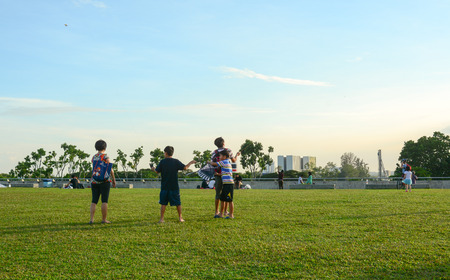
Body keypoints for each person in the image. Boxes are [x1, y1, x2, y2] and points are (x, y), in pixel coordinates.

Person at [151, 146, 195, 223]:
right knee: (178, 203)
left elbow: (157, 171)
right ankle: (180, 218)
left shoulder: (162, 162)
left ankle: (161, 219)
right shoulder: (175, 161)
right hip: (174, 186)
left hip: (164, 186)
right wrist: (190, 163)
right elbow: (185, 168)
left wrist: (153, 169)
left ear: (166, 153)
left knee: (163, 203)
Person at [210, 137, 240, 218]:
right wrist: (237, 155)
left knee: (218, 194)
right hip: (227, 176)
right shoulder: (228, 151)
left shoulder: (214, 153)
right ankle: (226, 211)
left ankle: (217, 211)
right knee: (227, 195)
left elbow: (212, 164)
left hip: (218, 175)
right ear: (223, 143)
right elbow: (233, 160)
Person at [89, 140, 116, 224]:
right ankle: (104, 219)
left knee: (94, 201)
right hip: (105, 181)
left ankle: (91, 219)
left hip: (94, 181)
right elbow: (109, 167)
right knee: (104, 201)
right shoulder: (105, 156)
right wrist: (113, 180)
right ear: (105, 147)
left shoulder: (94, 157)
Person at [209, 150, 235, 219]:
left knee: (230, 200)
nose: (219, 157)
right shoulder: (226, 163)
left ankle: (231, 215)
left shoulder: (225, 162)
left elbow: (215, 164)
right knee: (222, 199)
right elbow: (225, 173)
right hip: (225, 184)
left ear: (224, 156)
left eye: (220, 156)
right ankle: (221, 214)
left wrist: (209, 162)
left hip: (229, 184)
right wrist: (218, 174)